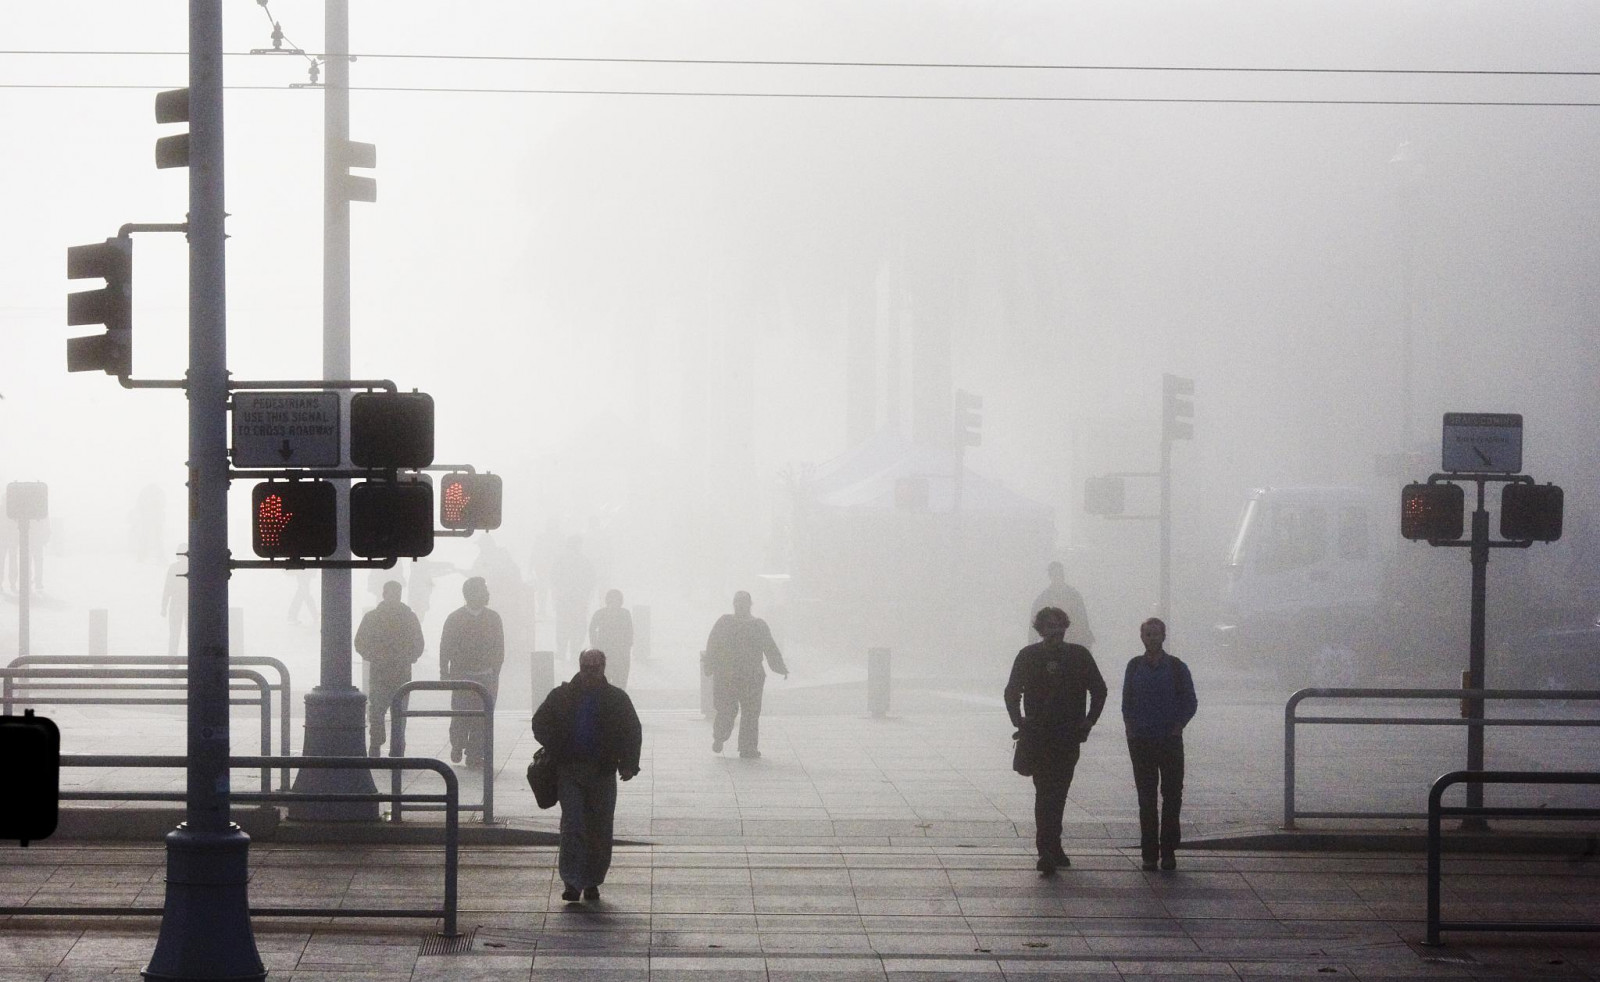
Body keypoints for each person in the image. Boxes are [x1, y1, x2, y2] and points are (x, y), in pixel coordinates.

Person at [532, 649, 642, 904]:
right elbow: (540, 722)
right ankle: (572, 881)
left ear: (603, 667)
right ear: (580, 666)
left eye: (595, 667)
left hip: (602, 771)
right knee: (573, 825)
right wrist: (556, 746)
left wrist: (628, 764)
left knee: (600, 826)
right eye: (585, 667)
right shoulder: (562, 696)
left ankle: (592, 880)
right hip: (569, 769)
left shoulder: (616, 699)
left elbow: (632, 732)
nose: (590, 672)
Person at [1004, 605, 1107, 876]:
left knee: (1057, 792)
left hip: (1066, 734)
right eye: (1049, 625)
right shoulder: (1030, 656)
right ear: (1041, 629)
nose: (1054, 631)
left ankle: (1052, 845)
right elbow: (1011, 692)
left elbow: (1100, 690)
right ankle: (1047, 849)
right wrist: (1020, 722)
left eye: (1058, 625)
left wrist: (1088, 721)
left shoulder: (1078, 656)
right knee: (1045, 791)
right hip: (1040, 735)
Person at [1122, 617, 1198, 871]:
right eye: (1148, 634)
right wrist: (1131, 730)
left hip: (1169, 740)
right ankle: (1149, 853)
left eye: (1156, 634)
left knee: (1172, 796)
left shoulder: (1176, 667)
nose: (1152, 638)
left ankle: (1168, 850)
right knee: (1146, 798)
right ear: (1141, 637)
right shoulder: (1134, 667)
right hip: (1142, 741)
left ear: (1163, 636)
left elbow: (1190, 701)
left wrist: (1178, 726)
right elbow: (1127, 702)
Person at [704, 590, 788, 759]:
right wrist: (710, 664)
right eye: (738, 603)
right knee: (735, 710)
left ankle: (740, 745)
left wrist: (780, 667)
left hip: (743, 675)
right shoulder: (730, 622)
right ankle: (727, 739)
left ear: (749, 604)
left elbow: (770, 648)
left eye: (742, 603)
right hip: (737, 675)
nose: (740, 606)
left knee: (744, 712)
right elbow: (713, 644)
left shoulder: (748, 624)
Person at [439, 577, 505, 768]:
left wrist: (495, 671)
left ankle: (475, 753)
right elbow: (445, 647)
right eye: (483, 590)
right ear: (471, 593)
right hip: (462, 675)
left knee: (482, 717)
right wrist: (444, 672)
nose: (487, 593)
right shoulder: (455, 618)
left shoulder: (493, 618)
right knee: (460, 713)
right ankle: (458, 743)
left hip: (486, 676)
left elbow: (499, 647)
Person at [355, 580, 426, 757]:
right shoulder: (408, 617)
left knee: (378, 711)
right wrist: (409, 657)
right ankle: (394, 747)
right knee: (395, 713)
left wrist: (372, 656)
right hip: (399, 672)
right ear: (386, 594)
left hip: (382, 671)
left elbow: (360, 642)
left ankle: (377, 744)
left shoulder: (373, 617)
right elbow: (418, 642)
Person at [550, 535, 597, 664]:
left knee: (563, 624)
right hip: (579, 599)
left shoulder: (560, 560)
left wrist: (559, 592)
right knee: (578, 625)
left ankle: (562, 650)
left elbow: (553, 578)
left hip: (564, 599)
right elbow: (591, 579)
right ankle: (575, 651)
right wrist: (586, 594)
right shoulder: (584, 561)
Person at [1029, 561, 1095, 648]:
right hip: (1051, 646)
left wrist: (1086, 642)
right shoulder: (1042, 599)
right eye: (1054, 574)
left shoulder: (1074, 596)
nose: (1057, 576)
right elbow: (1033, 628)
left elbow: (1083, 621)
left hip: (1074, 642)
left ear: (1063, 574)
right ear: (1050, 576)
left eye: (1059, 573)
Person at [588, 589, 635, 689]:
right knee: (617, 679)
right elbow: (630, 631)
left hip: (610, 650)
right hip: (615, 651)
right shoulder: (624, 613)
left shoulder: (600, 613)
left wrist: (595, 644)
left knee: (610, 678)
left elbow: (592, 629)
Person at [161, 547, 187, 657]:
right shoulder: (195, 567)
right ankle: (193, 660)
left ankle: (172, 660)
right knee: (192, 635)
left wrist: (164, 607)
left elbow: (167, 588)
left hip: (176, 603)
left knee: (174, 635)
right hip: (190, 604)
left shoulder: (173, 568)